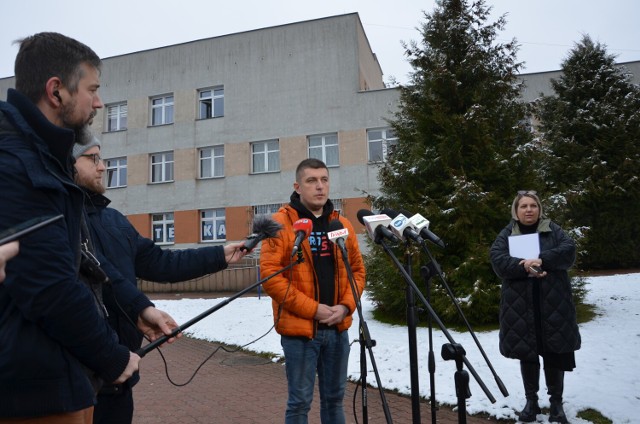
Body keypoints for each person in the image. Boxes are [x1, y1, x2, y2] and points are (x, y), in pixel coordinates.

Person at [0, 32, 168, 423]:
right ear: (56, 90)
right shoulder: (18, 164)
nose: (98, 102)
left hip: (53, 375)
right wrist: (110, 356)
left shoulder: (41, 159)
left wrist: (138, 308)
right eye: (92, 89)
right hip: (34, 389)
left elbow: (83, 263)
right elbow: (48, 285)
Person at [72, 136, 248, 424]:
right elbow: (102, 275)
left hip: (122, 374)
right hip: (80, 378)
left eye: (101, 158)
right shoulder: (61, 221)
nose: (103, 167)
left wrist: (219, 255)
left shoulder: (115, 220)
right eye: (92, 159)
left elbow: (162, 263)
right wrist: (142, 307)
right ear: (68, 163)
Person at [259, 158, 365, 423]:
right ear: (298, 186)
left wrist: (345, 307)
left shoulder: (341, 225)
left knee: (334, 402)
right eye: (311, 181)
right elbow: (271, 278)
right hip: (301, 332)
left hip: (338, 329)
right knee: (299, 403)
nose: (320, 187)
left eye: (324, 180)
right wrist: (313, 310)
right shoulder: (279, 225)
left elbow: (358, 272)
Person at [490, 190, 580, 424]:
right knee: (527, 354)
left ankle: (556, 404)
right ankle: (531, 402)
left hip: (553, 305)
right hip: (521, 307)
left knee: (554, 353)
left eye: (533, 206)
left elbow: (568, 252)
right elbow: (498, 260)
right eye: (523, 206)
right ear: (516, 211)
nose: (529, 210)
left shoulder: (553, 230)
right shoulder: (508, 233)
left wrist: (541, 259)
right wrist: (523, 264)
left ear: (539, 209)